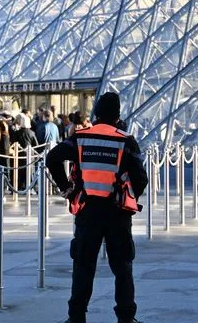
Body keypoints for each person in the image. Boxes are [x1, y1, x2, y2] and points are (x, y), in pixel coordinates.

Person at [46, 92, 148, 323]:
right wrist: (128, 195)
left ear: (97, 113)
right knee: (122, 267)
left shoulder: (81, 137)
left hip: (87, 210)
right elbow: (141, 179)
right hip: (117, 212)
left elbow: (52, 159)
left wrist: (67, 189)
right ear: (117, 116)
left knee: (83, 265)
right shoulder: (126, 140)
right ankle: (126, 317)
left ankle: (76, 317)